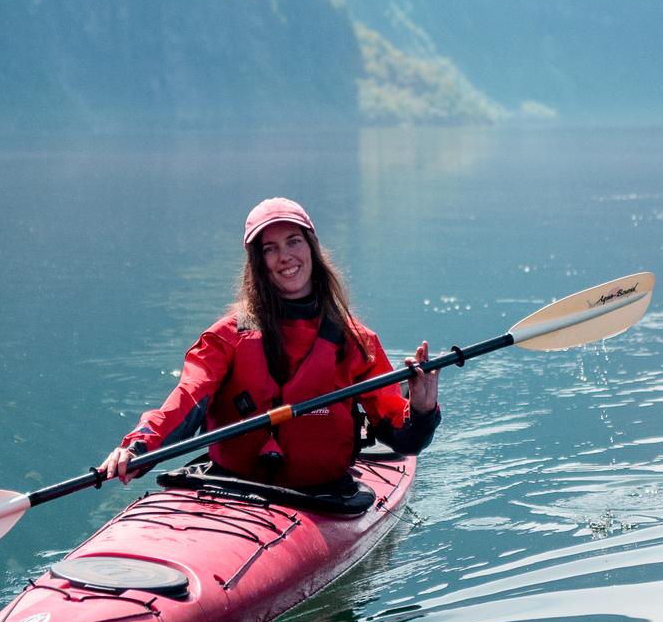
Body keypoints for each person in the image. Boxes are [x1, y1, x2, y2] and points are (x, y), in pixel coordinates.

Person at [101, 197, 441, 493]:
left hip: (325, 494)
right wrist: (137, 448)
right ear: (257, 264)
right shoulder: (226, 337)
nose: (284, 257)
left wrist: (422, 410)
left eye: (293, 241)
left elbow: (405, 440)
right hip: (231, 484)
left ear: (311, 248)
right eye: (270, 248)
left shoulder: (355, 341)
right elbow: (188, 398)